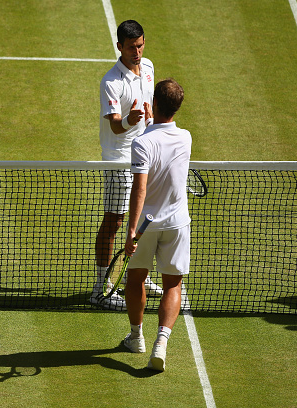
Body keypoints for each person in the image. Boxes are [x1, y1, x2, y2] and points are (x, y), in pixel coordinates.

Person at [90, 20, 163, 310]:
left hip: (145, 154)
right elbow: (116, 127)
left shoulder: (148, 67)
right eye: (132, 47)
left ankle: (138, 274)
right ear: (120, 47)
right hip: (118, 157)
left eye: (141, 45)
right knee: (115, 221)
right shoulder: (111, 82)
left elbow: (148, 105)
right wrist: (130, 121)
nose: (138, 51)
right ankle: (99, 288)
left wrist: (148, 118)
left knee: (144, 217)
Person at [122, 79, 191, 372]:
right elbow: (162, 135)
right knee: (172, 284)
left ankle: (137, 337)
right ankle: (161, 342)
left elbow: (139, 189)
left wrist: (131, 231)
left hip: (146, 226)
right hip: (176, 224)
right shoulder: (186, 137)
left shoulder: (142, 142)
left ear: (154, 101)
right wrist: (153, 121)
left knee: (136, 278)